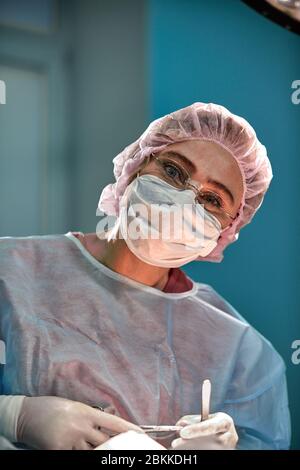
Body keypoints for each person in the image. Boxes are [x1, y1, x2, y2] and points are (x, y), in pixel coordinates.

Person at [0, 102, 291, 450]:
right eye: (173, 172)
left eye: (212, 199)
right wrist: (14, 415)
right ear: (136, 167)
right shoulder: (11, 271)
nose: (181, 202)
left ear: (225, 232)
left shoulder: (241, 352)